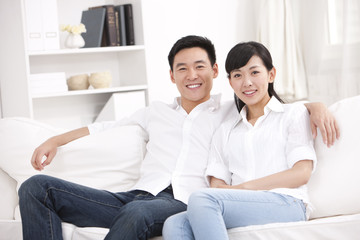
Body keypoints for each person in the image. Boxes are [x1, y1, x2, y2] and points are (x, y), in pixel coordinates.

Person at [19, 36, 338, 240]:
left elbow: (267, 101)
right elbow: (103, 127)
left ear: (215, 72)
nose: (191, 75)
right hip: (136, 198)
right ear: (172, 75)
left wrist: (315, 106)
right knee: (36, 187)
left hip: (181, 201)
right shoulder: (155, 111)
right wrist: (55, 140)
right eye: (182, 68)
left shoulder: (229, 111)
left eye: (199, 66)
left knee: (139, 214)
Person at [162, 41, 321, 240]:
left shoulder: (293, 114)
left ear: (271, 74)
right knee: (174, 224)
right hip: (242, 205)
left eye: (254, 72)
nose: (247, 82)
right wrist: (236, 193)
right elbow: (217, 186)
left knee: (201, 199)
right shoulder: (225, 130)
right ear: (230, 82)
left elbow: (301, 173)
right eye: (238, 75)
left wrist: (243, 189)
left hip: (287, 202)